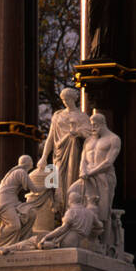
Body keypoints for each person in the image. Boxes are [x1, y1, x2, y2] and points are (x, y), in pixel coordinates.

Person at [37, 87, 90, 220]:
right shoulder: (57, 115)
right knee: (58, 181)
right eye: (63, 99)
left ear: (74, 99)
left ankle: (71, 211)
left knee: (72, 179)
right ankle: (60, 213)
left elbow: (90, 135)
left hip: (74, 153)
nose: (65, 102)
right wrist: (44, 156)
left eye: (67, 99)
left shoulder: (82, 116)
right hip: (59, 153)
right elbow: (50, 137)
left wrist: (77, 133)